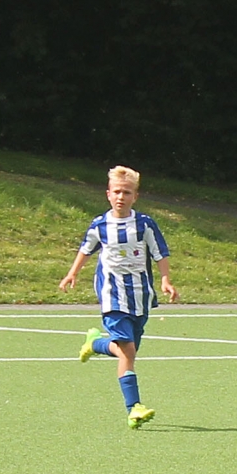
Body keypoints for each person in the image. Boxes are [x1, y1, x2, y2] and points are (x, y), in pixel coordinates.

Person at [59, 165, 177, 429]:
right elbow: (85, 249)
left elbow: (160, 253)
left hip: (140, 295)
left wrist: (165, 280)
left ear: (135, 196)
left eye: (127, 192)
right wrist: (72, 274)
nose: (121, 197)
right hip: (112, 295)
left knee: (126, 351)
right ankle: (134, 408)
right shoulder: (100, 225)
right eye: (117, 192)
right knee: (128, 351)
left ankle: (96, 344)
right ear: (108, 194)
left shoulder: (144, 224)